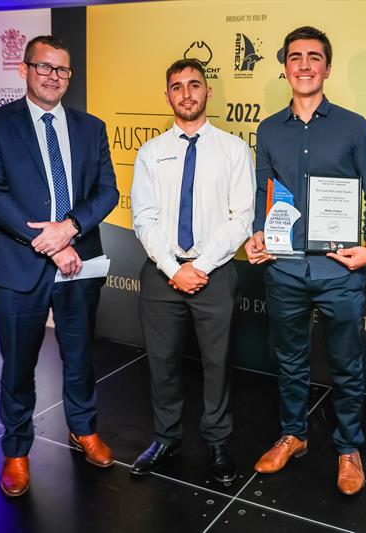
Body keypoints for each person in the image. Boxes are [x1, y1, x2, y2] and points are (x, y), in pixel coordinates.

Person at [245, 26, 366, 496]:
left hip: (339, 269)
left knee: (346, 363)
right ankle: (295, 435)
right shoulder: (268, 129)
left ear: (327, 68)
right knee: (289, 359)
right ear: (285, 67)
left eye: (313, 57)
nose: (304, 65)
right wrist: (255, 234)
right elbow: (261, 195)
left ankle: (349, 447)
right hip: (284, 267)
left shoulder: (354, 126)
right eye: (295, 57)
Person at [0, 35, 119, 497]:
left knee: (80, 357)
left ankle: (84, 429)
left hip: (79, 262)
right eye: (45, 67)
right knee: (18, 364)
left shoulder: (90, 126)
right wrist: (51, 242)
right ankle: (16, 452)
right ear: (25, 69)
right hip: (20, 264)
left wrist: (70, 227)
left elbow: (108, 192)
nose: (54, 76)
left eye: (63, 70)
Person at [128, 59, 255, 483]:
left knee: (217, 363)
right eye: (177, 87)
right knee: (161, 362)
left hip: (214, 273)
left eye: (194, 85)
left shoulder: (234, 150)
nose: (186, 93)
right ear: (168, 95)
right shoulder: (151, 152)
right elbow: (143, 218)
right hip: (161, 273)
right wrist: (172, 268)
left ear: (208, 92)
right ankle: (166, 437)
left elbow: (241, 218)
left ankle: (217, 440)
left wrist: (198, 267)